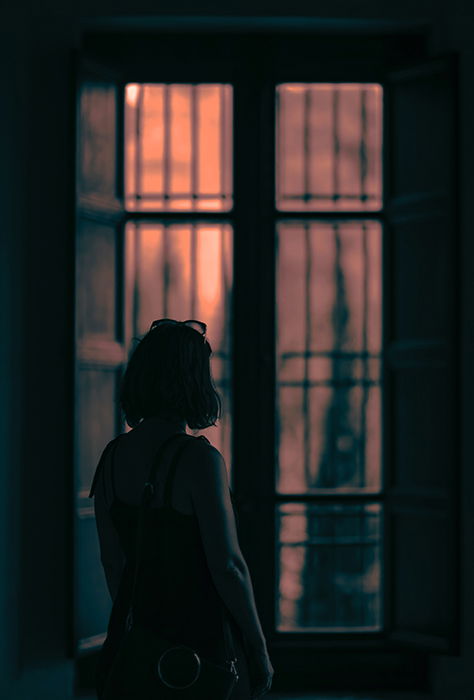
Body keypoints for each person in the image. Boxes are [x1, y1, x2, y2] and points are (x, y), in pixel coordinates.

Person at [89, 318, 274, 699]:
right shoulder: (198, 461)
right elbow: (229, 567)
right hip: (199, 650)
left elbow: (113, 564)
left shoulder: (110, 459)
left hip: (137, 648)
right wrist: (257, 646)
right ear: (193, 381)